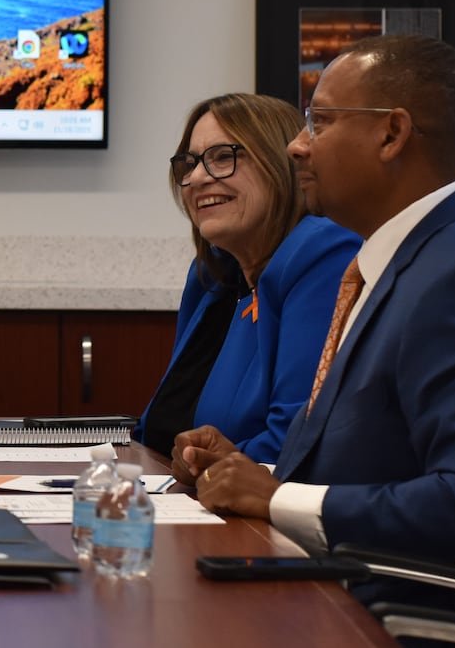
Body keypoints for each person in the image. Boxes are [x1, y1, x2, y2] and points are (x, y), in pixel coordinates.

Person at [175, 36, 455, 648]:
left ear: (392, 135)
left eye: (321, 122)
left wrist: (277, 497)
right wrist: (251, 467)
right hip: (330, 610)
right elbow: (378, 459)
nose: (297, 146)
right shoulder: (402, 260)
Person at [135, 94, 358, 469]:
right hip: (172, 494)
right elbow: (160, 428)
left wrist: (200, 469)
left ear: (280, 163)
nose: (197, 178)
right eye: (190, 163)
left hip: (254, 503)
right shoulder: (211, 275)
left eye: (223, 157)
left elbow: (295, 442)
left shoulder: (323, 251)